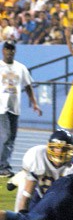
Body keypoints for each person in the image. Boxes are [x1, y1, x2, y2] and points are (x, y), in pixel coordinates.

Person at [0, 40, 42, 177]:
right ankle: (3, 167)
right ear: (3, 50)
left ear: (15, 51)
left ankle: (4, 166)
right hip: (1, 108)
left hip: (15, 108)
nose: (9, 51)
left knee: (11, 138)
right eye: (7, 49)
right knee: (5, 136)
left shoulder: (21, 68)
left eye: (12, 49)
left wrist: (34, 103)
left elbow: (28, 86)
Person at [10, 129, 73, 213]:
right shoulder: (37, 155)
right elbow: (27, 192)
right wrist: (21, 213)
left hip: (59, 198)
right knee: (24, 183)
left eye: (64, 148)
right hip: (39, 194)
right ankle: (20, 177)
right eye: (56, 148)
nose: (60, 151)